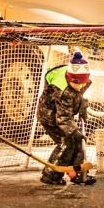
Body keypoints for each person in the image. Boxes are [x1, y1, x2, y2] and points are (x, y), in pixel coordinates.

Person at [36, 51, 96, 186]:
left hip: (63, 115)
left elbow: (79, 95)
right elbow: (62, 118)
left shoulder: (78, 81)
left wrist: (82, 107)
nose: (80, 86)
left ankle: (78, 173)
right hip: (50, 117)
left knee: (78, 141)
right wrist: (75, 131)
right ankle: (50, 175)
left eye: (83, 83)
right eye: (77, 84)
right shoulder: (64, 92)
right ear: (70, 79)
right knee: (67, 144)